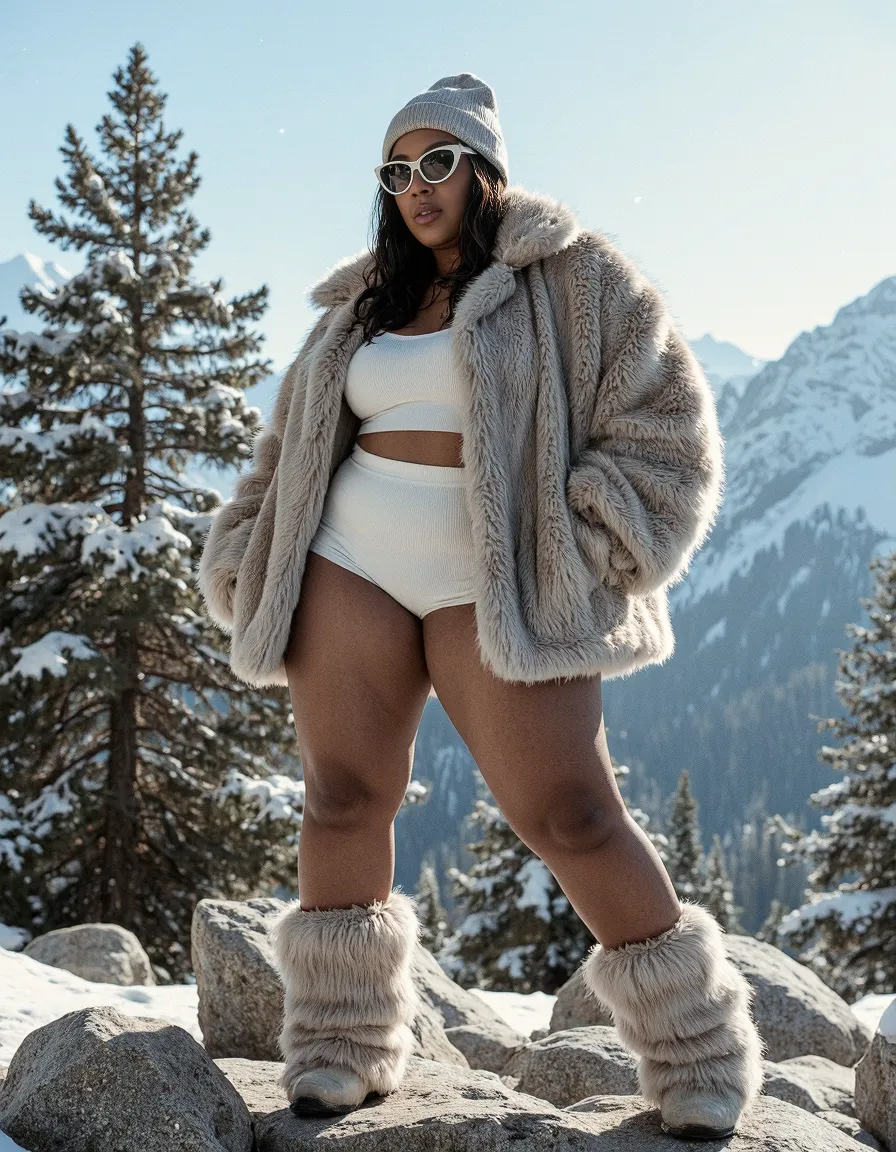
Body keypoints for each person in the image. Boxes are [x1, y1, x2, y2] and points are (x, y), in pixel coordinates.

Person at [198, 73, 765, 1140]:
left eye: (437, 163)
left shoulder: (573, 276)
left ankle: (697, 1051)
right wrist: (248, 548)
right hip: (347, 564)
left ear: (483, 166)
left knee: (568, 812)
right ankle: (339, 1048)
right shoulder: (359, 303)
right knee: (341, 800)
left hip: (497, 580)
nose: (415, 188)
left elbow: (671, 430)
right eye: (396, 171)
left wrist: (587, 544)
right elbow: (288, 451)